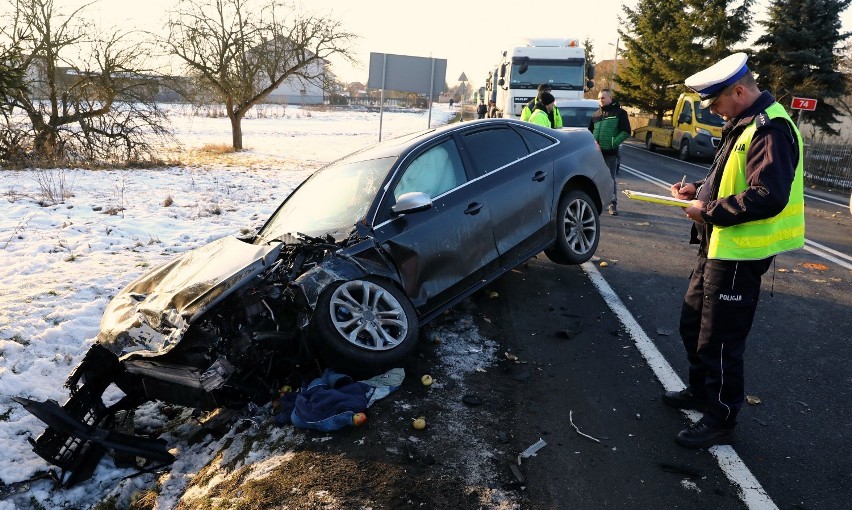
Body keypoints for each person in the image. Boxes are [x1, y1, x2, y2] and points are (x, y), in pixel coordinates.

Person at [664, 53, 805, 448]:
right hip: (719, 246)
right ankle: (702, 393)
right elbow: (732, 174)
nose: (713, 111)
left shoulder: (770, 128)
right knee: (692, 323)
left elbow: (767, 195)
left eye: (715, 103)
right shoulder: (744, 123)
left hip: (741, 253)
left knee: (720, 341)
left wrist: (706, 210)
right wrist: (700, 190)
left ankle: (720, 418)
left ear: (739, 91)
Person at [589, 89, 631, 216]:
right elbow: (590, 132)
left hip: (610, 153)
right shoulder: (596, 115)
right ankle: (596, 203)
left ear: (610, 98)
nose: (600, 100)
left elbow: (626, 131)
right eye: (599, 98)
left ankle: (612, 204)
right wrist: (593, 144)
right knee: (594, 179)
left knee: (610, 179)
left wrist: (613, 143)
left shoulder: (620, 113)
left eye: (603, 98)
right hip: (596, 154)